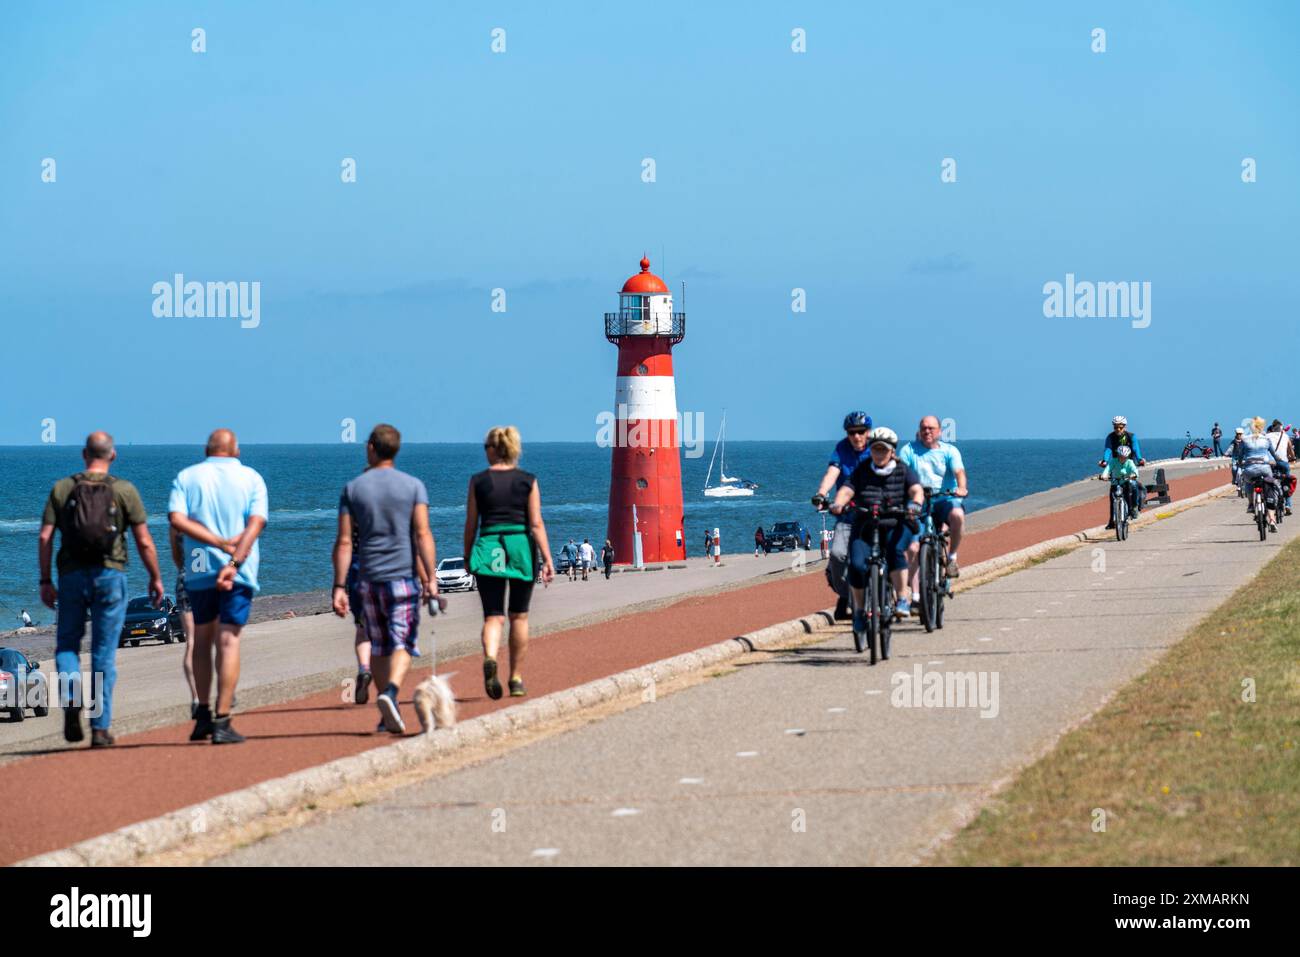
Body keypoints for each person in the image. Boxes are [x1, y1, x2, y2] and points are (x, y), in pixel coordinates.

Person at [39, 431, 165, 747]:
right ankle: (99, 728)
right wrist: (155, 577)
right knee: (103, 652)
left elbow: (44, 537)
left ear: (84, 454)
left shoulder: (63, 488)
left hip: (71, 577)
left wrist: (45, 580)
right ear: (113, 455)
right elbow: (145, 541)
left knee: (67, 645)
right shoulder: (124, 490)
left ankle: (70, 701)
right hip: (111, 576)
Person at [331, 424, 436, 734]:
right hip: (402, 577)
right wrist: (430, 577)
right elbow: (422, 534)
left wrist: (339, 586)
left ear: (371, 448)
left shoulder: (353, 489)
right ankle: (390, 692)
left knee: (376, 645)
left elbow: (345, 541)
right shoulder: (414, 486)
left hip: (367, 579)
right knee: (403, 641)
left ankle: (383, 710)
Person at [168, 429, 268, 744]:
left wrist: (213, 542)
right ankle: (222, 720)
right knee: (228, 642)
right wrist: (234, 559)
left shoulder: (187, 476)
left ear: (206, 449)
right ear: (235, 449)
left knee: (200, 641)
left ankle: (202, 712)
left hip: (198, 568)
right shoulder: (251, 478)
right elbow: (256, 525)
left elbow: (176, 520)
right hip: (238, 572)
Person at [463, 426, 554, 699]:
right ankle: (515, 678)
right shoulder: (527, 480)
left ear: (492, 450)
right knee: (519, 616)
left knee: (493, 616)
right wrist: (548, 558)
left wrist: (468, 555)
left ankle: (491, 656)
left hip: (489, 545)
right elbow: (536, 523)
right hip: (519, 547)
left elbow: (471, 523)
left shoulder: (478, 481)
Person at [828, 427, 923, 626]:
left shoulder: (902, 470)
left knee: (896, 552)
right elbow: (847, 489)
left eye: (884, 450)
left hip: (894, 523)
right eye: (875, 449)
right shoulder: (862, 470)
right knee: (856, 565)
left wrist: (914, 505)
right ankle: (860, 611)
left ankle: (902, 599)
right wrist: (838, 504)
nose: (879, 454)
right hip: (865, 525)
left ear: (892, 452)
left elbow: (916, 490)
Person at [811, 411, 873, 621]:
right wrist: (822, 494)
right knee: (838, 556)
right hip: (847, 516)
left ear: (869, 432)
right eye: (851, 432)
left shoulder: (877, 448)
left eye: (861, 432)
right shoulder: (841, 449)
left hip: (875, 514)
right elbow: (832, 473)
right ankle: (846, 596)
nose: (856, 436)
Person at [168, 525, 200, 716]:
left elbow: (176, 557)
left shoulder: (178, 521)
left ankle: (196, 696)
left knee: (192, 642)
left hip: (185, 580)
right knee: (218, 639)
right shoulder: (210, 514)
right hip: (206, 580)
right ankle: (220, 690)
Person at [1235, 417, 1286, 532]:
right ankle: (1272, 520)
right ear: (1262, 427)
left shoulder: (1245, 440)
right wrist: (1278, 460)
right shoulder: (1266, 439)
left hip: (1250, 469)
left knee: (1248, 483)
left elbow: (1240, 455)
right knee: (1270, 489)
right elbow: (1273, 454)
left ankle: (1251, 504)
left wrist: (1239, 462)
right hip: (1265, 468)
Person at [1103, 445, 1144, 518]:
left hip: (1126, 481)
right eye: (1120, 456)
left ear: (1127, 456)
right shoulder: (1113, 461)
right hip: (1115, 482)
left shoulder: (1130, 462)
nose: (1122, 459)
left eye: (1125, 457)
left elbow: (1135, 471)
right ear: (1118, 455)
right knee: (1113, 497)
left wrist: (1133, 475)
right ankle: (1115, 517)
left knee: (1133, 487)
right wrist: (1104, 475)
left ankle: (1134, 507)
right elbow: (1107, 469)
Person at [1266, 420, 1293, 515]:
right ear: (1281, 428)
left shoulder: (1267, 436)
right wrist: (1292, 457)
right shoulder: (1285, 436)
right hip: (1283, 462)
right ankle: (1288, 505)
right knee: (1287, 482)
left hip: (1271, 463)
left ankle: (1268, 501)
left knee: (1268, 481)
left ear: (1272, 428)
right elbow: (1290, 449)